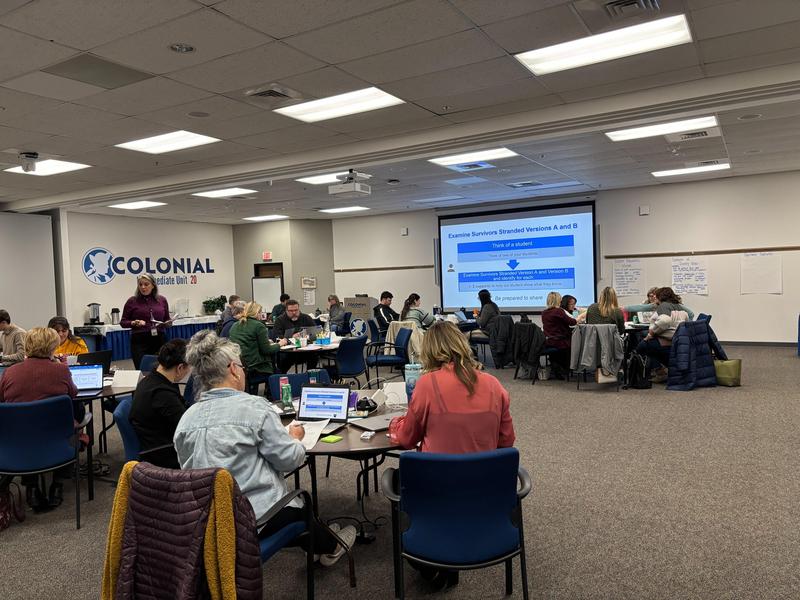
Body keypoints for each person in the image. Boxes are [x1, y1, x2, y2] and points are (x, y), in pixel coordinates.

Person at [174, 330, 356, 566]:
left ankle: (319, 535)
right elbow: (289, 461)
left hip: (206, 521)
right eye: (241, 366)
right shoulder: (254, 408)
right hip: (254, 518)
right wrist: (295, 438)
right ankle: (331, 547)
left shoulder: (186, 419)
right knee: (299, 507)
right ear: (232, 369)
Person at [388, 320, 515, 589]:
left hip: (437, 493)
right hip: (486, 494)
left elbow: (407, 439)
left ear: (430, 351)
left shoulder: (426, 385)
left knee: (400, 479)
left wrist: (394, 424)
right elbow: (507, 443)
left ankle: (433, 564)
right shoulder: (494, 385)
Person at [0, 327, 82, 510]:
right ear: (53, 346)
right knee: (74, 419)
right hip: (57, 439)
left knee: (27, 426)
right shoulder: (61, 371)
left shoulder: (10, 372)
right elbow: (73, 394)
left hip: (18, 441)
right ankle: (58, 485)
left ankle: (32, 488)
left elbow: (2, 400)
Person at [129, 339, 190, 469]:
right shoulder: (163, 394)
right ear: (180, 368)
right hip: (163, 455)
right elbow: (187, 428)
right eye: (188, 368)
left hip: (153, 443)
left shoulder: (149, 381)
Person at [636, 287, 689, 383]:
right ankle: (663, 369)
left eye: (656, 296)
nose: (655, 298)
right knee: (646, 343)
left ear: (662, 297)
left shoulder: (663, 306)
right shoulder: (678, 307)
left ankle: (660, 371)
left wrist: (652, 333)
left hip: (665, 341)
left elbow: (665, 321)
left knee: (641, 346)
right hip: (677, 341)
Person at [229, 302, 284, 392]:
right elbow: (267, 350)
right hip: (256, 366)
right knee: (278, 371)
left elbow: (247, 342)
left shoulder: (235, 325)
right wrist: (280, 344)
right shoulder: (258, 326)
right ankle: (272, 396)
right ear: (257, 313)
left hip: (241, 365)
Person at [121, 274, 171, 369]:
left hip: (159, 339)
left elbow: (166, 319)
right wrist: (133, 323)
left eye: (146, 284)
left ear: (153, 285)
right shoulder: (132, 301)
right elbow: (123, 322)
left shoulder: (162, 300)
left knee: (162, 369)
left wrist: (168, 323)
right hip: (140, 341)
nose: (143, 287)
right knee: (143, 369)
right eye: (140, 284)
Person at [273, 299, 318, 372]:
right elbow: (276, 337)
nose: (294, 312)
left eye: (296, 310)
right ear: (286, 310)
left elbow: (315, 332)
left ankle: (310, 377)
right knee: (283, 360)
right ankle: (281, 377)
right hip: (288, 352)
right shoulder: (280, 320)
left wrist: (307, 336)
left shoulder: (306, 318)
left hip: (305, 350)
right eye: (291, 311)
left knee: (314, 356)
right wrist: (291, 338)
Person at [541, 291, 577, 379]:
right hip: (560, 341)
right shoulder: (559, 311)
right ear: (558, 301)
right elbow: (572, 322)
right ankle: (566, 368)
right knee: (576, 342)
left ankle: (556, 366)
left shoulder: (544, 312)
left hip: (548, 341)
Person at [625, 287, 695, 321]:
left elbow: (691, 314)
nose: (654, 298)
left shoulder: (676, 305)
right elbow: (641, 307)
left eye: (656, 296)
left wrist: (684, 327)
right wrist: (624, 308)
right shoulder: (658, 304)